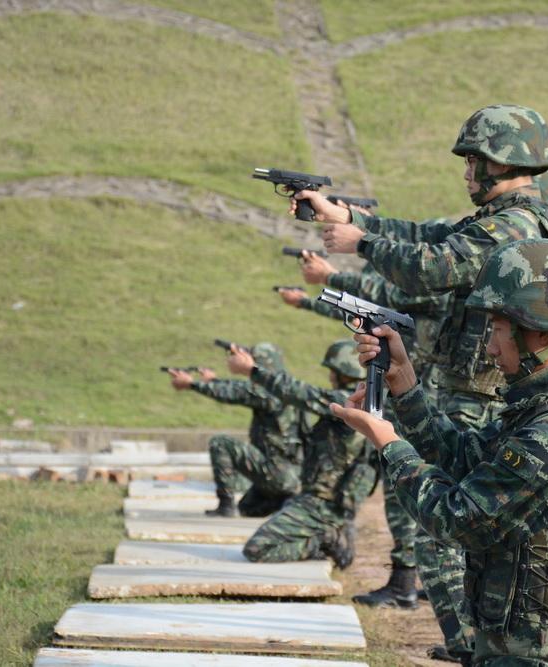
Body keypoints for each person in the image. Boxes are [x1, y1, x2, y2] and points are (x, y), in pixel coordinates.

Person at [289, 104, 548, 663]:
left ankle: (471, 650)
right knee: (451, 531)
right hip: (471, 392)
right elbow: (427, 235)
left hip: (479, 398)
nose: (465, 174)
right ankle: (475, 646)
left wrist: (361, 243)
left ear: (499, 163)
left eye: (471, 162)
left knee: (439, 533)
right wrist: (346, 215)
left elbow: (434, 267)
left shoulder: (512, 227)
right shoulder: (501, 220)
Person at [332, 239, 548, 666]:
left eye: (496, 330)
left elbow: (456, 519)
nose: (490, 348)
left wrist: (389, 444)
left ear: (540, 332)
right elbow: (465, 459)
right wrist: (404, 383)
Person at [278, 252, 452, 609]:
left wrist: (333, 275)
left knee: (406, 490)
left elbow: (386, 297)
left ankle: (406, 583)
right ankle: (413, 580)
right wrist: (310, 300)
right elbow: (365, 306)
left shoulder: (426, 291)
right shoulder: (417, 296)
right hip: (411, 394)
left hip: (419, 399)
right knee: (406, 492)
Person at [226, 339, 374, 569]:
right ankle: (329, 528)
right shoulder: (361, 401)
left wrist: (252, 370)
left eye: (332, 371)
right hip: (319, 496)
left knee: (257, 549)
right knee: (250, 506)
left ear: (343, 373)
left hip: (322, 503)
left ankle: (325, 537)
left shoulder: (347, 403)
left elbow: (296, 392)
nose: (330, 376)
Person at [167, 343, 302, 517]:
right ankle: (285, 500)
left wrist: (192, 384)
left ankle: (226, 505)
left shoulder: (268, 392)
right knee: (247, 508)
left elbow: (237, 392)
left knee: (220, 443)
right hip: (291, 475)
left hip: (277, 472)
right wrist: (213, 382)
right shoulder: (287, 388)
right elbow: (241, 388)